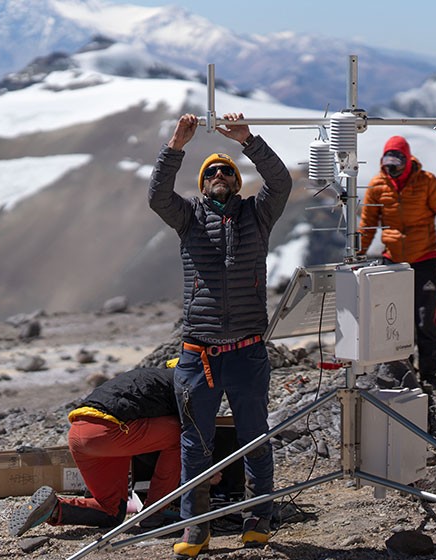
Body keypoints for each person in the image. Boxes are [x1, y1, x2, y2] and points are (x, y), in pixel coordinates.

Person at [149, 112, 292, 557]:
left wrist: (248, 140)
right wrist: (176, 144)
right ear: (202, 182)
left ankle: (258, 519)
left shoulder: (257, 214)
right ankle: (197, 528)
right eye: (210, 172)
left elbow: (281, 181)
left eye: (226, 171)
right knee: (195, 444)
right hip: (199, 354)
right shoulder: (187, 217)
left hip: (247, 351)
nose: (218, 176)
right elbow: (156, 195)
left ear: (237, 180)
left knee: (255, 437)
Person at [9, 367, 181, 537]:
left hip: (79, 433)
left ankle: (54, 508)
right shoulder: (186, 382)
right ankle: (155, 511)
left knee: (111, 511)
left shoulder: (161, 374)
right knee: (183, 436)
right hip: (110, 432)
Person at [359, 135, 436, 391]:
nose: (391, 167)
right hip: (392, 262)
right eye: (387, 161)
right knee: (394, 319)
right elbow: (367, 225)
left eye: (396, 161)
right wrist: (358, 254)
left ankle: (429, 374)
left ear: (407, 159)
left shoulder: (426, 182)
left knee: (425, 319)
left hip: (425, 260)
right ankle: (403, 370)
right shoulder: (377, 185)